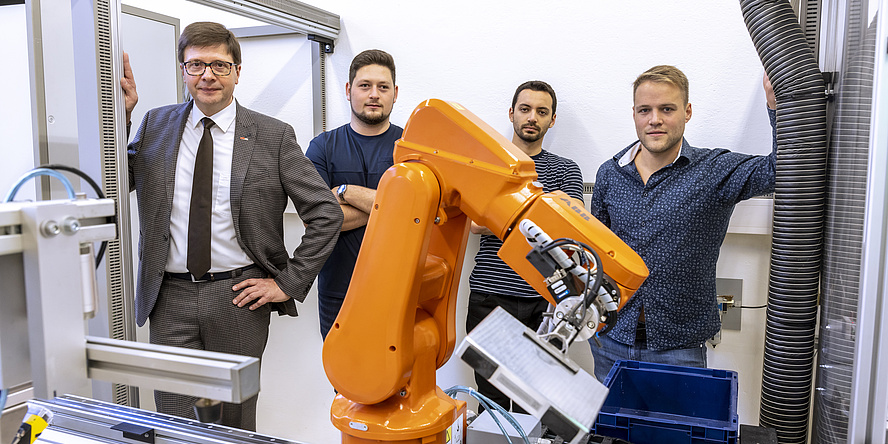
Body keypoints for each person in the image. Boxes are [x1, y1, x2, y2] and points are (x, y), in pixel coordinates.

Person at [120, 22, 342, 430]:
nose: (208, 75)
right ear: (183, 70)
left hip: (238, 298)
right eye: (196, 65)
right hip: (168, 298)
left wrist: (286, 282)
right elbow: (115, 184)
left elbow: (326, 212)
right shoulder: (154, 125)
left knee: (235, 419)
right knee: (173, 416)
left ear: (238, 71)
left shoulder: (272, 136)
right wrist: (121, 116)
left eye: (220, 65)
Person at [588, 65, 777, 381]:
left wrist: (775, 106)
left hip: (678, 348)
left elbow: (780, 169)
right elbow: (595, 250)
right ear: (634, 114)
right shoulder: (610, 174)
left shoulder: (713, 170)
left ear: (687, 112)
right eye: (645, 110)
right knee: (611, 430)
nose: (655, 119)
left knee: (675, 431)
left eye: (667, 109)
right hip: (610, 339)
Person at [465, 80, 584, 412]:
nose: (533, 117)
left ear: (552, 119)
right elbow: (474, 225)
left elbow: (570, 232)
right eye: (525, 109)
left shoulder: (565, 169)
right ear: (512, 113)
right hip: (490, 296)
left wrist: (502, 215)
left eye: (542, 112)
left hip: (543, 301)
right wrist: (538, 214)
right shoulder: (489, 162)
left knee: (534, 399)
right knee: (492, 397)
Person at [305, 49, 402, 339]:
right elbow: (317, 222)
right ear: (349, 90)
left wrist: (346, 192)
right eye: (365, 85)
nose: (374, 94)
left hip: (401, 289)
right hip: (338, 290)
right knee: (342, 380)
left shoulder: (413, 147)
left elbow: (419, 212)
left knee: (396, 381)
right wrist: (391, 207)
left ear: (394, 93)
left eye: (383, 87)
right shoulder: (323, 147)